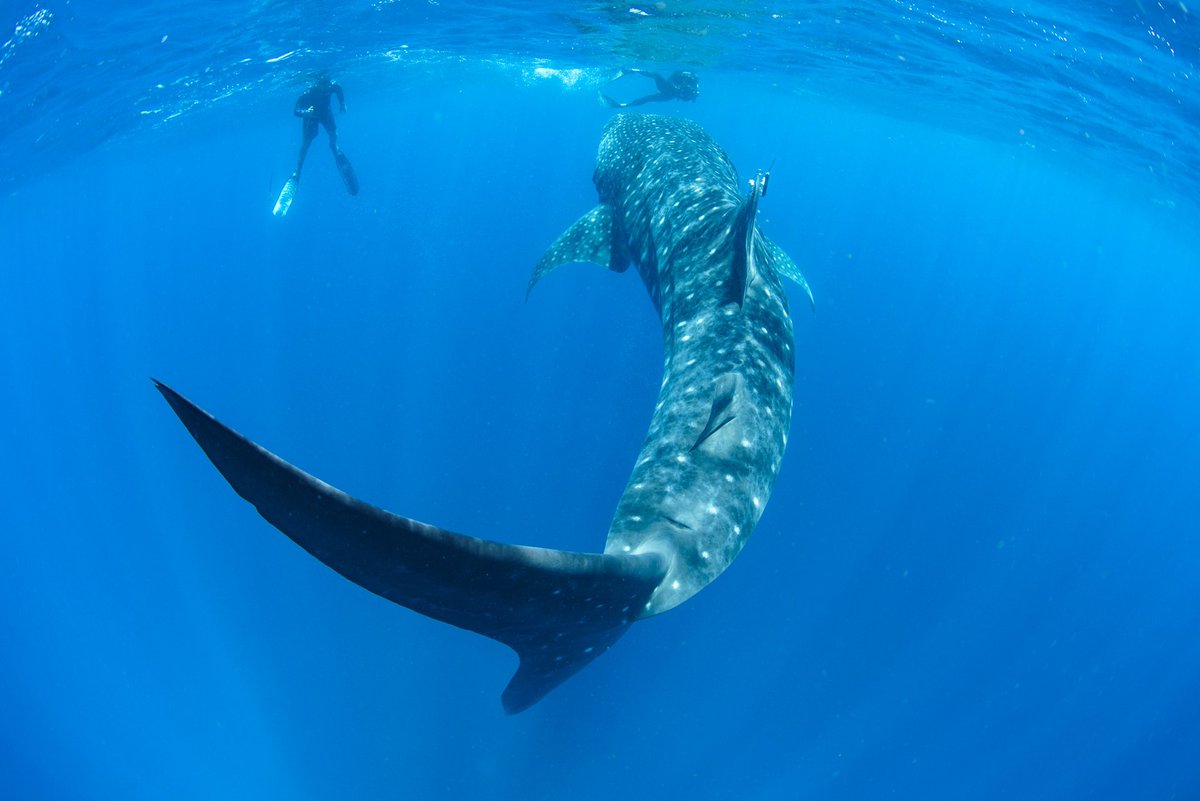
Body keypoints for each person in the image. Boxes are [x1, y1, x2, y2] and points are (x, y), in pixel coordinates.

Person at [292, 72, 346, 180]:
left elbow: (338, 89)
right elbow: (296, 110)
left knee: (333, 133)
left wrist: (342, 103)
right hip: (311, 117)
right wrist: (304, 113)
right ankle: (298, 168)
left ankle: (333, 146)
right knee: (306, 143)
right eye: (324, 84)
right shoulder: (308, 92)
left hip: (326, 113)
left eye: (328, 83)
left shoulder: (330, 86)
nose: (326, 87)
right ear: (317, 82)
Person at [599, 69, 700, 108]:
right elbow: (669, 80)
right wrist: (675, 87)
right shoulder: (681, 75)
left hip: (669, 94)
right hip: (668, 89)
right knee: (655, 75)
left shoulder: (694, 82)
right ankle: (632, 70)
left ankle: (622, 105)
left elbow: (694, 95)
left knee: (649, 97)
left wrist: (684, 92)